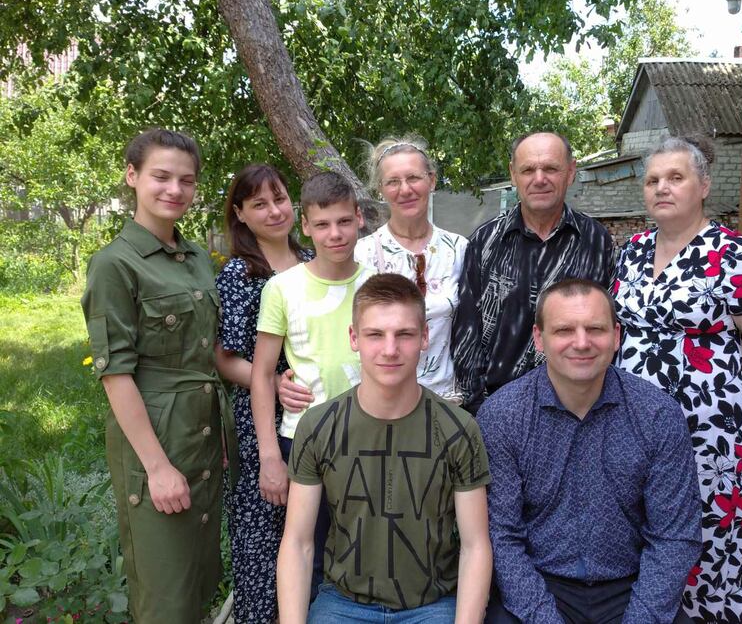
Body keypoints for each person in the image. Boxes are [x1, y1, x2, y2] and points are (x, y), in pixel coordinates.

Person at [613, 135, 742, 623]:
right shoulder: (631, 251)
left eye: (676, 177)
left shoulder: (731, 253)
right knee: (643, 533)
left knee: (705, 542)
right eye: (653, 180)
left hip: (708, 439)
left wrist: (723, 404)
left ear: (704, 186)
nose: (662, 188)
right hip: (633, 427)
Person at [478, 279, 702, 624]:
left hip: (630, 587)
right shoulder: (503, 415)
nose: (581, 343)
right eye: (564, 330)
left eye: (594, 329)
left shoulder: (657, 415)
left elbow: (674, 536)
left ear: (616, 335)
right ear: (539, 338)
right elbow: (503, 536)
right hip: (539, 585)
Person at [277, 273, 492, 624]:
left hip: (432, 605)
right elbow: (298, 543)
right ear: (354, 338)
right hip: (343, 603)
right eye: (375, 334)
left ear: (424, 337)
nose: (390, 349)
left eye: (404, 334)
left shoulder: (459, 430)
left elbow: (475, 546)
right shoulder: (317, 426)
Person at [81, 128, 233, 622]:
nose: (174, 190)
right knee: (165, 593)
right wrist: (157, 467)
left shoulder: (195, 261)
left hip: (202, 435)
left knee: (198, 578)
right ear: (132, 176)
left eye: (186, 180)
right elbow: (116, 375)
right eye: (160, 176)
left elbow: (205, 353)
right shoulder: (114, 264)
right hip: (158, 440)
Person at [249, 170, 373, 597]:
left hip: (371, 440)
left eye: (343, 221)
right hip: (303, 442)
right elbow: (264, 372)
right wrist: (269, 455)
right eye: (321, 224)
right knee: (309, 553)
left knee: (366, 552)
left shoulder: (377, 282)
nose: (334, 234)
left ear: (359, 218)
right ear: (305, 225)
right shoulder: (283, 288)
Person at [452, 131, 615, 414]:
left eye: (551, 168)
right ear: (513, 175)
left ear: (571, 171)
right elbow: (467, 330)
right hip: (497, 409)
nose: (539, 179)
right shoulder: (485, 242)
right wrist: (479, 406)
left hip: (577, 410)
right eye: (528, 170)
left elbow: (609, 330)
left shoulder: (597, 241)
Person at [214, 164, 313, 622]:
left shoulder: (316, 259)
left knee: (313, 528)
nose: (274, 211)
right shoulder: (239, 274)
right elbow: (223, 356)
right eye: (259, 204)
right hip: (264, 422)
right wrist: (270, 381)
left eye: (279, 198)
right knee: (265, 526)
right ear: (241, 215)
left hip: (316, 416)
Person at [352, 136, 467, 401]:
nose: (405, 190)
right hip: (383, 402)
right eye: (393, 181)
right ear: (381, 189)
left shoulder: (459, 249)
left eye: (414, 178)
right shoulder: (363, 254)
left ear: (432, 180)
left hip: (445, 400)